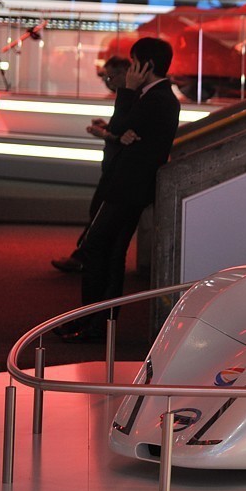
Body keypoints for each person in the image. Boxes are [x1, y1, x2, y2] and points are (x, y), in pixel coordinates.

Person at [58, 38, 181, 343]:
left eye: (133, 61)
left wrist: (127, 93)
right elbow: (121, 129)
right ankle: (96, 324)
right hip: (130, 188)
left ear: (146, 65)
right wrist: (122, 126)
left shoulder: (157, 98)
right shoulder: (155, 96)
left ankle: (92, 322)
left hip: (128, 188)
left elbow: (119, 125)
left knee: (96, 247)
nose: (129, 68)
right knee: (111, 255)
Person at [51, 56, 134, 273]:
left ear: (125, 72)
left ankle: (84, 259)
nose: (108, 82)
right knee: (100, 215)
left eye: (111, 77)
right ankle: (86, 258)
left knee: (99, 215)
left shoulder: (131, 97)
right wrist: (107, 129)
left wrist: (105, 134)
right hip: (116, 168)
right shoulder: (129, 96)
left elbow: (127, 137)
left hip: (118, 170)